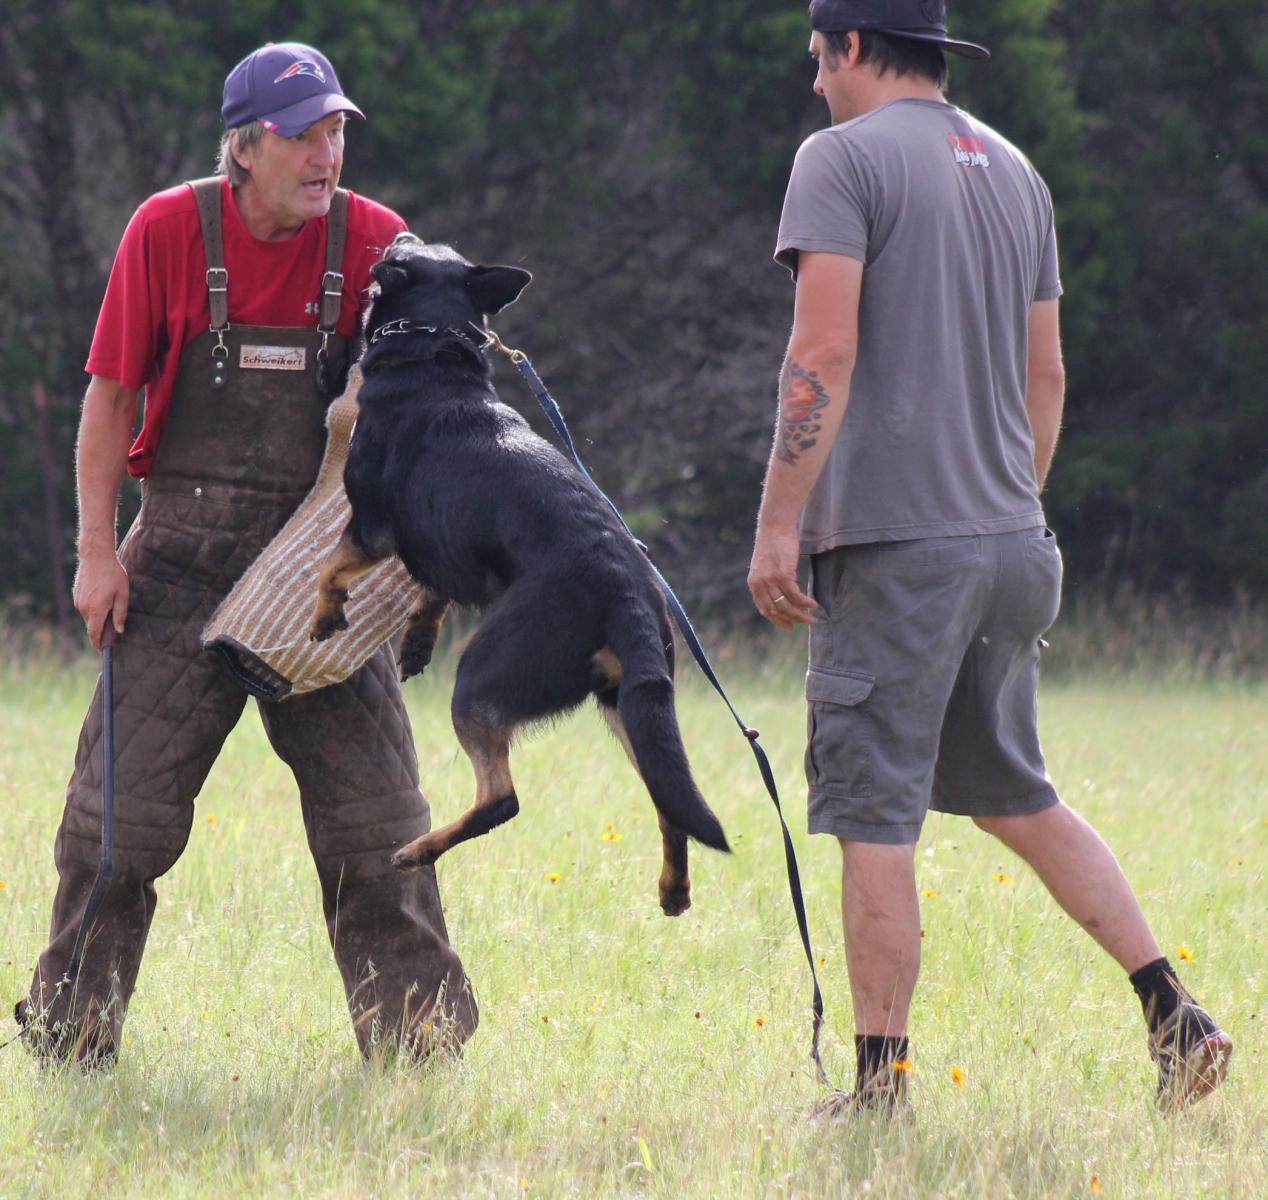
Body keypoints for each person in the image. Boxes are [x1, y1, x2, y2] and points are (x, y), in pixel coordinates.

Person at [747, 1, 1230, 1114]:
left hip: (894, 550)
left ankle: (877, 1088)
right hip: (1012, 537)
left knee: (871, 812)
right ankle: (1174, 1014)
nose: (814, 81)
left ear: (854, 48)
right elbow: (1044, 377)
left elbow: (820, 347)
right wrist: (1009, 502)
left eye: (818, 59)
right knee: (1019, 797)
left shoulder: (837, 161)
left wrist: (779, 523)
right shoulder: (1015, 170)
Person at [16, 42, 476, 1066]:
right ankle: (68, 1047)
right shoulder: (166, 230)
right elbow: (109, 400)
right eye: (303, 134)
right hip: (179, 555)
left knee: (379, 826)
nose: (327, 153)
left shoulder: (379, 245)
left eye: (336, 131)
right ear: (244, 145)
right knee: (114, 827)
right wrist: (98, 554)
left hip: (322, 569)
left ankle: (417, 1058)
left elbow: (431, 409)